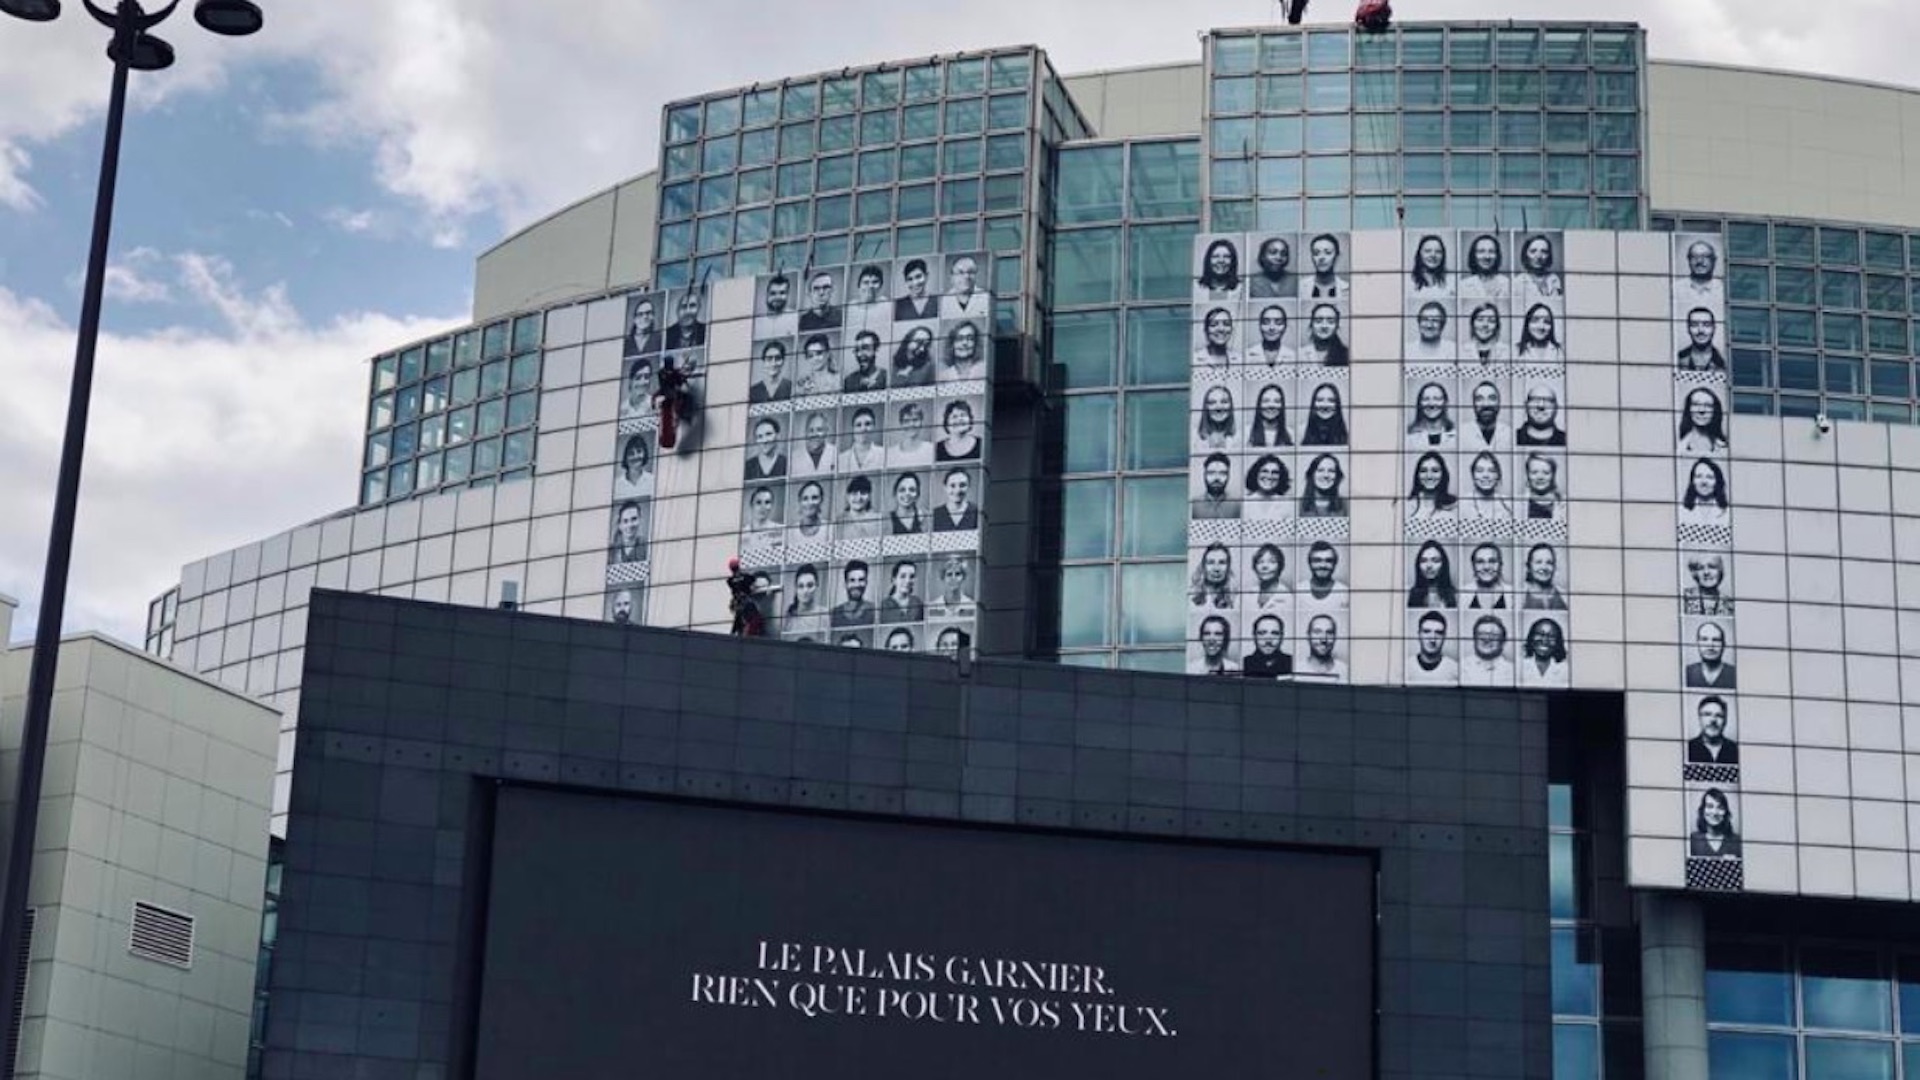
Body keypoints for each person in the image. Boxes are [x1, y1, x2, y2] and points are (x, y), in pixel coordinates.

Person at [1460, 615, 1515, 687]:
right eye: (1481, 634)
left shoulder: (1513, 671)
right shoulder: (1460, 667)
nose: (1487, 639)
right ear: (1474, 639)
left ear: (1503, 641)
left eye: (1493, 635)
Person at [725, 556, 773, 637]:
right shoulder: (745, 577)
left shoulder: (730, 580)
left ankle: (735, 634)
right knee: (756, 618)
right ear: (738, 566)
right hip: (746, 602)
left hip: (738, 603)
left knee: (739, 620)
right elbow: (752, 580)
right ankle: (748, 634)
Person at [1673, 239, 1725, 312]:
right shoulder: (1676, 289)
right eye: (1694, 256)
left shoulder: (1723, 290)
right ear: (1688, 260)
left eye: (1705, 256)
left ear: (1714, 260)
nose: (1699, 261)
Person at [1406, 453, 1459, 522]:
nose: (1429, 476)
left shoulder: (1454, 508)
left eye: (1435, 471)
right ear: (1417, 475)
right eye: (1424, 471)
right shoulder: (1407, 506)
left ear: (1443, 474)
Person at [1689, 788, 1741, 858]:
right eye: (1710, 806)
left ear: (1726, 813)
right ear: (1702, 810)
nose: (1715, 812)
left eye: (1720, 807)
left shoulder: (1737, 841)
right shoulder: (1692, 840)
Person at [1406, 540, 1459, 609]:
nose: (1429, 566)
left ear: (1444, 564)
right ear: (1418, 565)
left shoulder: (1456, 596)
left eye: (1435, 560)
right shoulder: (1408, 595)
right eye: (1424, 561)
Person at [1408, 612, 1458, 684]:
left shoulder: (1455, 670)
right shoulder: (1406, 667)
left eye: (1438, 633)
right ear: (1419, 635)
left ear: (1444, 637)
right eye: (1426, 631)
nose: (1432, 639)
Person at [1685, 621, 1738, 689]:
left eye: (1716, 640)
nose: (1710, 645)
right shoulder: (1687, 672)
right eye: (1704, 639)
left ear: (1724, 645)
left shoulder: (1734, 673)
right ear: (1697, 644)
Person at [1688, 696, 1739, 765]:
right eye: (1707, 714)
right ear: (1699, 718)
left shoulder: (1736, 750)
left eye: (1719, 715)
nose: (1713, 720)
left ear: (1725, 721)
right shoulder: (1687, 748)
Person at [1679, 458, 1731, 527]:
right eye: (1699, 476)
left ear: (1717, 481)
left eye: (1709, 477)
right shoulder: (1682, 511)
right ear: (1692, 481)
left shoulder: (1727, 513)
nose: (1704, 482)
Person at [1461, 452, 1512, 521]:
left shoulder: (1508, 504)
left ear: (1498, 475)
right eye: (1479, 471)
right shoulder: (1462, 505)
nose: (1485, 475)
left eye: (1491, 471)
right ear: (1473, 475)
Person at [1458, 234, 1509, 303]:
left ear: (1497, 256)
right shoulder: (1462, 286)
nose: (1487, 256)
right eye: (1481, 251)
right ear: (1474, 255)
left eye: (1491, 251)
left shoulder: (1507, 283)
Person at [739, 486, 785, 563]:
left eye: (767, 502)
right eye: (758, 502)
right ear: (751, 505)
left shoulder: (781, 530)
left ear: (772, 506)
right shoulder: (742, 535)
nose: (763, 507)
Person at [1520, 617, 1570, 687]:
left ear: (1558, 641)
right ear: (1531, 637)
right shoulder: (1519, 667)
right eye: (1540, 634)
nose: (1545, 640)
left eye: (1551, 636)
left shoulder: (1566, 670)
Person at [1678, 387, 1730, 454]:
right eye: (1696, 404)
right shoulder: (1679, 447)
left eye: (1708, 405)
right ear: (1688, 409)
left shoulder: (1725, 448)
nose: (1701, 410)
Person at [1299, 541, 1348, 611]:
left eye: (1329, 561)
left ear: (1335, 564)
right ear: (1309, 563)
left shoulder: (1345, 593)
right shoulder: (1299, 590)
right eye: (1317, 560)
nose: (1323, 565)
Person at [1463, 381, 1511, 451]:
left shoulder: (1510, 434)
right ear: (1473, 404)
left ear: (1499, 403)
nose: (1486, 404)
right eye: (1479, 399)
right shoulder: (1462, 433)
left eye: (1492, 398)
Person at [783, 563, 828, 638]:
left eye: (810, 585)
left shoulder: (825, 615)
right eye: (801, 586)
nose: (805, 591)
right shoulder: (787, 617)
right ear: (796, 588)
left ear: (817, 586)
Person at [1676, 308, 1727, 372]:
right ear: (1688, 329)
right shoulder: (1677, 359)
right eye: (1694, 325)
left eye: (1706, 325)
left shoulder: (1724, 361)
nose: (1701, 330)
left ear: (1714, 328)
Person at [1405, 382, 1456, 448]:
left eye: (1437, 399)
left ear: (1445, 403)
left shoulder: (1457, 437)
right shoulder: (1408, 438)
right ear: (1419, 404)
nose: (1431, 404)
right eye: (1426, 399)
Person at [1189, 542, 1236, 610]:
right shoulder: (1191, 598)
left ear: (1228, 567)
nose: (1216, 568)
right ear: (1203, 567)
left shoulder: (1236, 598)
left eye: (1222, 563)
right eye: (1211, 562)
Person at [1297, 613, 1346, 679]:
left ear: (1335, 637)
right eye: (1317, 632)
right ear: (1308, 636)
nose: (1323, 639)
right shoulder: (1297, 669)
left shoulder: (1344, 670)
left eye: (1329, 633)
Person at [1193, 452, 1241, 519]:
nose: (1216, 478)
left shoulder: (1238, 506)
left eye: (1222, 473)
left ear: (1228, 476)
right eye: (1211, 473)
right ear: (1204, 475)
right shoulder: (1193, 505)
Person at [942, 255, 991, 319]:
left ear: (976, 275)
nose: (966, 277)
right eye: (961, 272)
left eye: (970, 272)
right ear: (952, 277)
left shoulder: (986, 298)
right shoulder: (943, 301)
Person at [1300, 233, 1347, 299]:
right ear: (1312, 257)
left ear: (1337, 256)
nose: (1321, 257)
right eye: (1316, 253)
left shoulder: (1348, 289)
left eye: (1328, 252)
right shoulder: (1300, 287)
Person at [1245, 454, 1293, 519]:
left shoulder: (1288, 505)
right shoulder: (1245, 503)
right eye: (1264, 471)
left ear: (1281, 477)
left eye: (1275, 472)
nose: (1269, 476)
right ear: (1255, 474)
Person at [1521, 543, 1567, 611]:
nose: (1544, 567)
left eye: (1549, 562)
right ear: (1529, 567)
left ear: (1554, 567)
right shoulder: (1518, 597)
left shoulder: (1565, 596)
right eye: (1538, 562)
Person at [1518, 234, 1563, 302]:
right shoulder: (1519, 281)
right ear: (1525, 254)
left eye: (1544, 252)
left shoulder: (1554, 279)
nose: (1538, 256)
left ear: (1549, 255)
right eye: (1533, 251)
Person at [791, 412, 837, 478]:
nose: (815, 434)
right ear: (805, 433)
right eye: (811, 430)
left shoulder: (835, 453)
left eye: (819, 430)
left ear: (826, 432)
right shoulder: (794, 458)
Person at [830, 561, 876, 627]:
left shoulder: (874, 611)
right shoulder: (834, 614)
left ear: (866, 582)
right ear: (845, 584)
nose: (856, 585)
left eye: (861, 580)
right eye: (852, 580)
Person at [1465, 543, 1510, 609]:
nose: (1486, 567)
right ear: (1473, 566)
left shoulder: (1513, 594)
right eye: (1480, 561)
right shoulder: (1462, 594)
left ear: (1500, 565)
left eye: (1492, 561)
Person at [890, 402, 934, 467]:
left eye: (915, 420)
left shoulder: (931, 449)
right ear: (901, 424)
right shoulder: (891, 453)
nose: (911, 424)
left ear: (921, 422)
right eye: (906, 421)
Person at [1248, 543, 1291, 611]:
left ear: (1280, 566)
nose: (1265, 566)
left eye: (1272, 562)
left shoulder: (1287, 598)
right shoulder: (1246, 595)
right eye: (1260, 562)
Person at [841, 407, 885, 472]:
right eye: (858, 425)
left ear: (874, 427)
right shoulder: (841, 458)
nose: (863, 429)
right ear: (852, 429)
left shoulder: (884, 454)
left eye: (867, 424)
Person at [1248, 384, 1292, 448]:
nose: (1271, 405)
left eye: (1277, 401)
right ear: (1259, 405)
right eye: (1266, 401)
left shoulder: (1291, 434)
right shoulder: (1246, 434)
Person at [1522, 453, 1564, 521]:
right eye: (1534, 472)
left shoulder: (1565, 505)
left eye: (1546, 473)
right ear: (1527, 475)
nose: (1540, 477)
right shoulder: (1517, 505)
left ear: (1553, 475)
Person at [1195, 385, 1238, 450]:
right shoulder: (1194, 438)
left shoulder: (1240, 437)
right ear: (1206, 407)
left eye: (1224, 402)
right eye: (1212, 402)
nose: (1218, 407)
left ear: (1231, 406)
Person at [613, 435, 653, 501]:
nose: (635, 456)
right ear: (625, 457)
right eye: (631, 453)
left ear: (645, 454)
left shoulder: (652, 479)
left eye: (639, 451)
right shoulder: (617, 484)